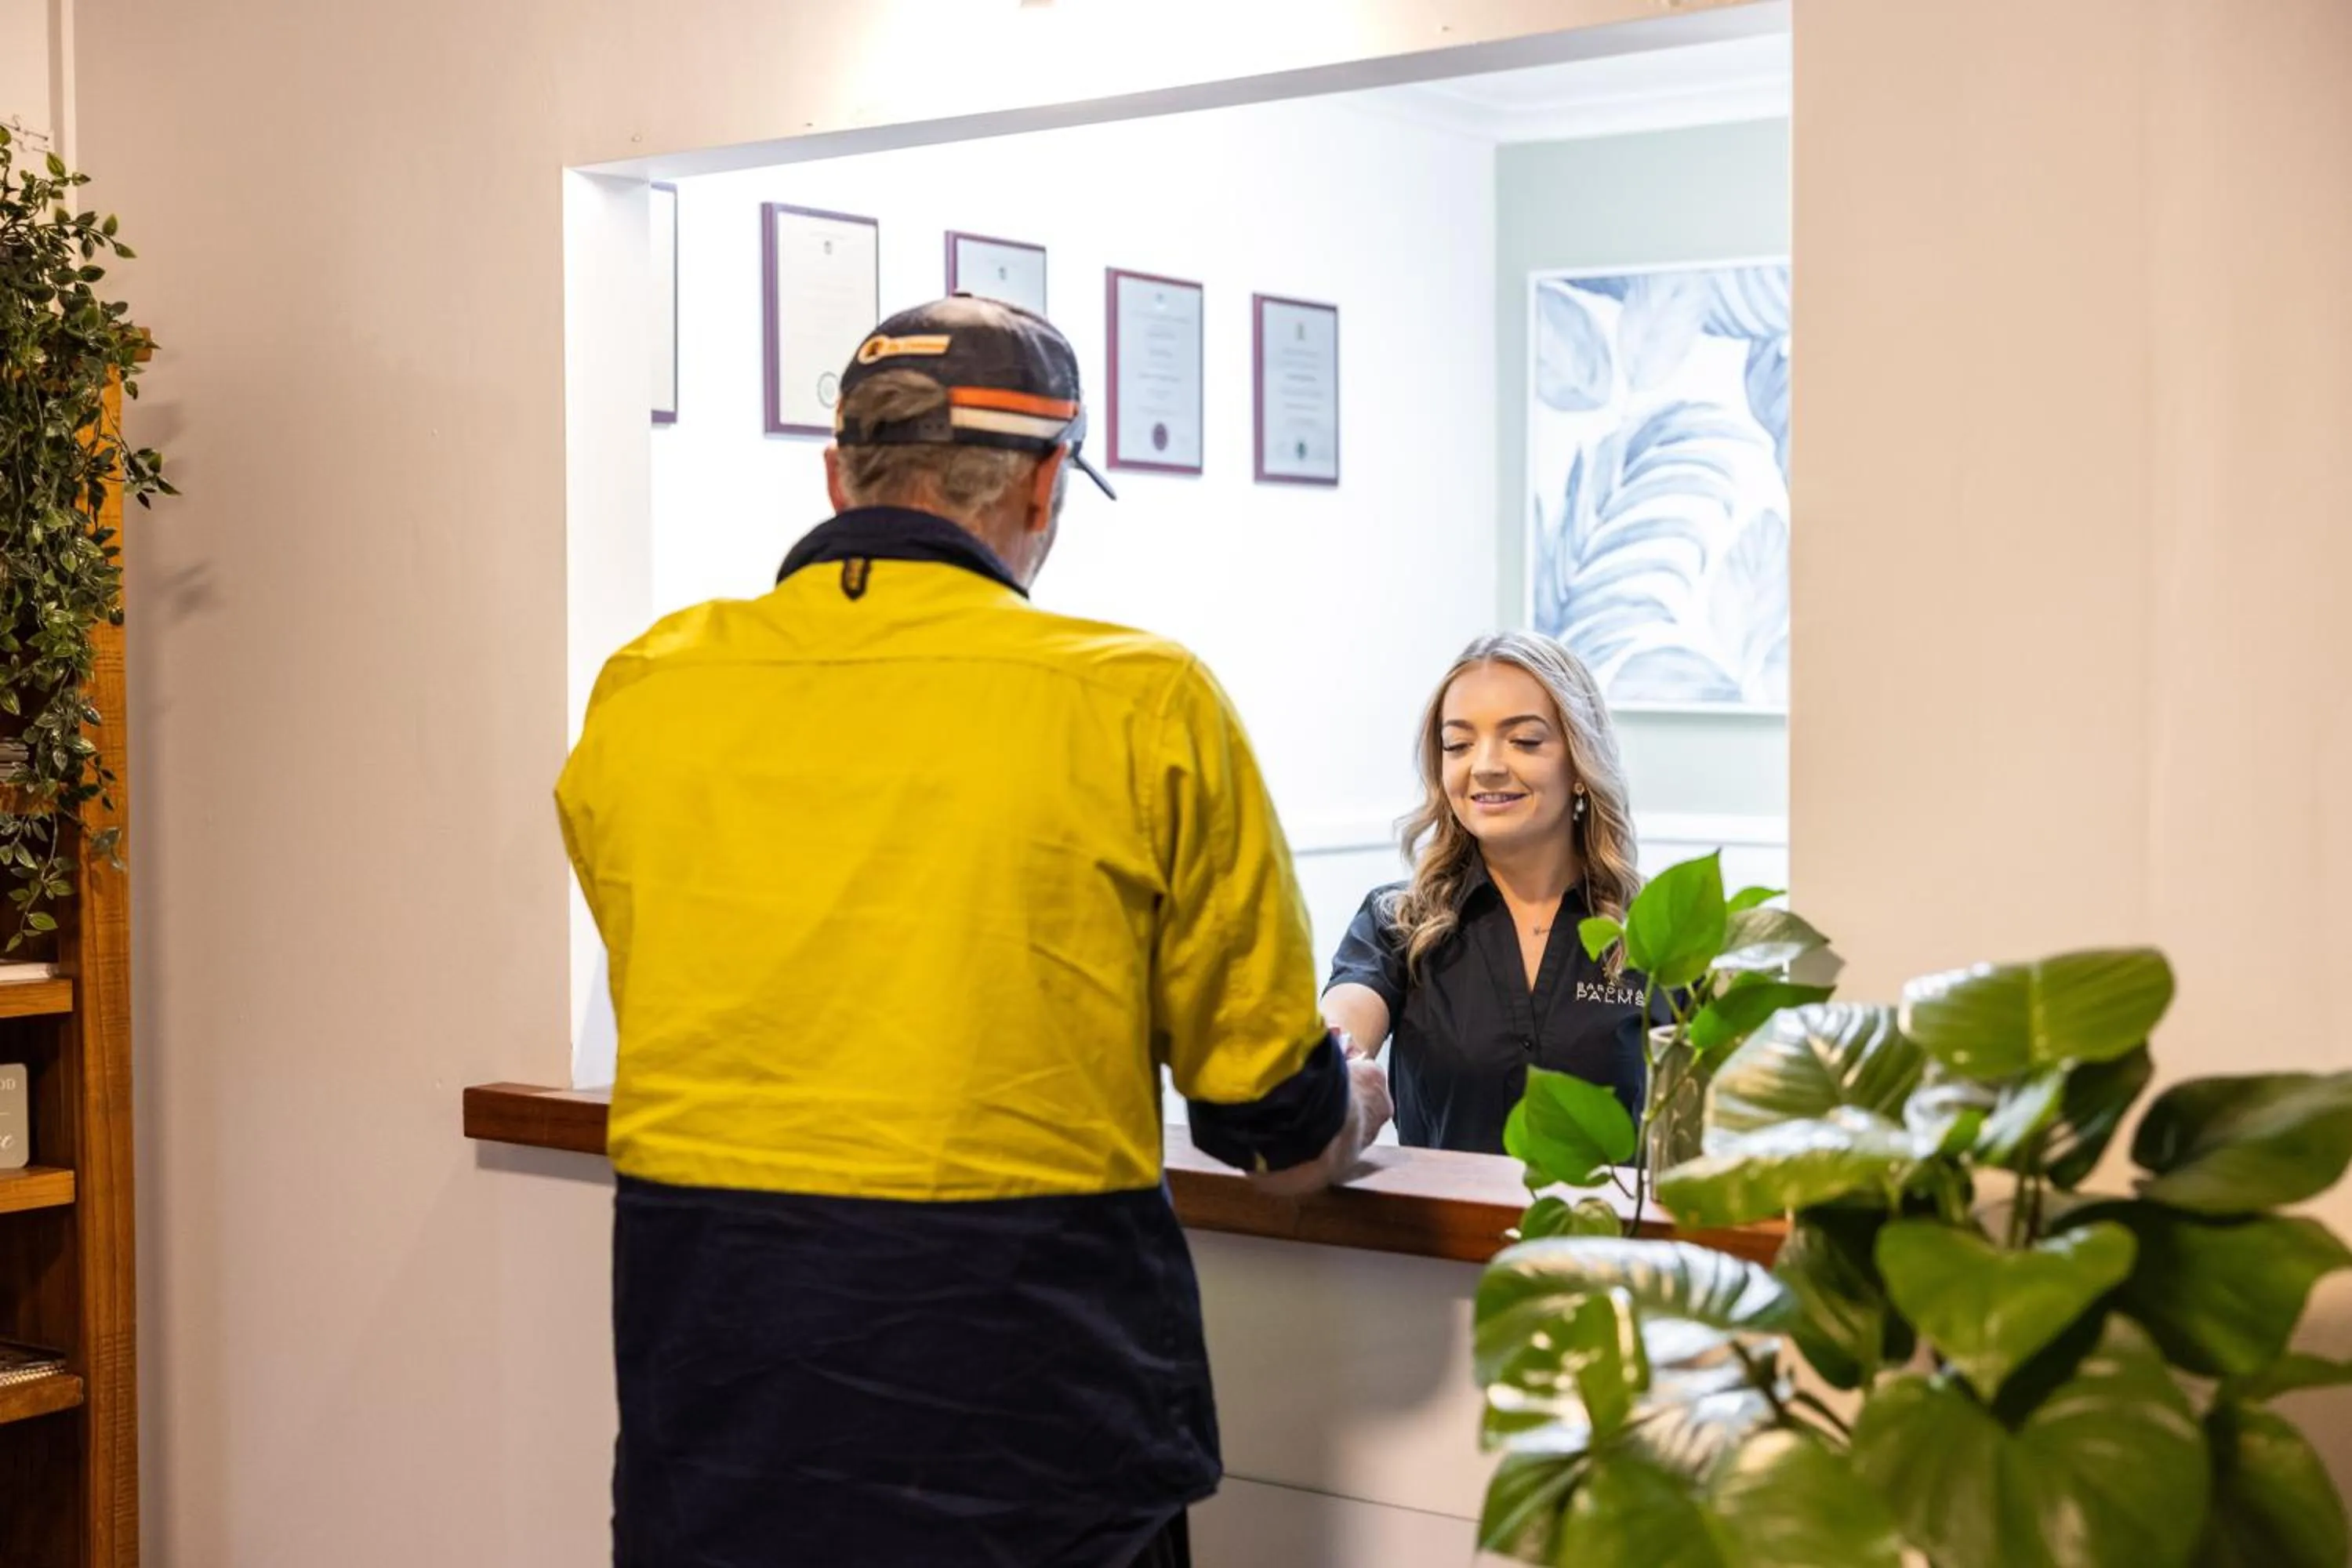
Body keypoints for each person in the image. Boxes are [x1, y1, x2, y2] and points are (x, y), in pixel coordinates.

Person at [555, 294, 1391, 1568]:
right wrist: (1354, 1110)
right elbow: (1267, 1119)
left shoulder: (647, 690)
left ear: (837, 472)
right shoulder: (1138, 701)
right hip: (1025, 1407)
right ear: (1046, 486)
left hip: (717, 1388)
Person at [1321, 632, 1649, 1153]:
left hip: (1605, 1235)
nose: (1487, 765)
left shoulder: (1656, 933)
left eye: (1524, 741)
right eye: (1458, 744)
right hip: (1438, 1233)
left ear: (1581, 764)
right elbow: (1343, 1023)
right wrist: (1325, 1069)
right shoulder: (1396, 922)